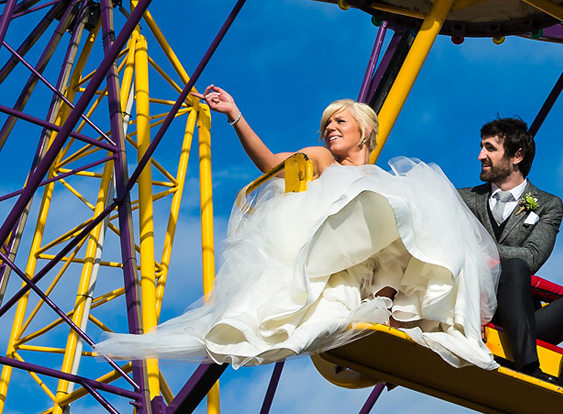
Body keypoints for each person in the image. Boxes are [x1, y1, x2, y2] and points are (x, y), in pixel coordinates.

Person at [97, 91, 500, 370]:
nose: (330, 129)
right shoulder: (323, 159)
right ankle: (378, 306)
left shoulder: (383, 179)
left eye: (339, 121)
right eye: (327, 124)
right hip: (332, 245)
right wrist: (235, 115)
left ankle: (391, 305)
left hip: (369, 256)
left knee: (417, 209)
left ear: (363, 130)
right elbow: (272, 164)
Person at [459, 118, 563, 405]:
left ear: (517, 156)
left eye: (490, 148)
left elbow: (533, 256)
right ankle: (528, 368)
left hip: (522, 318)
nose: (480, 156)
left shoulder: (548, 205)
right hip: (475, 308)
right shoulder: (463, 199)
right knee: (514, 264)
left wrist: (481, 248)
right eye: (482, 147)